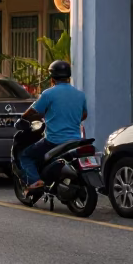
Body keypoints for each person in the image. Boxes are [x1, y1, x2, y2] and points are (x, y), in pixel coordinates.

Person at [18, 59, 88, 191]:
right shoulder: (80, 95)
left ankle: (35, 181)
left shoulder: (48, 93)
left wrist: (23, 118)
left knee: (26, 155)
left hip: (54, 141)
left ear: (52, 77)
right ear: (68, 77)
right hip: (75, 140)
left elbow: (32, 112)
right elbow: (84, 115)